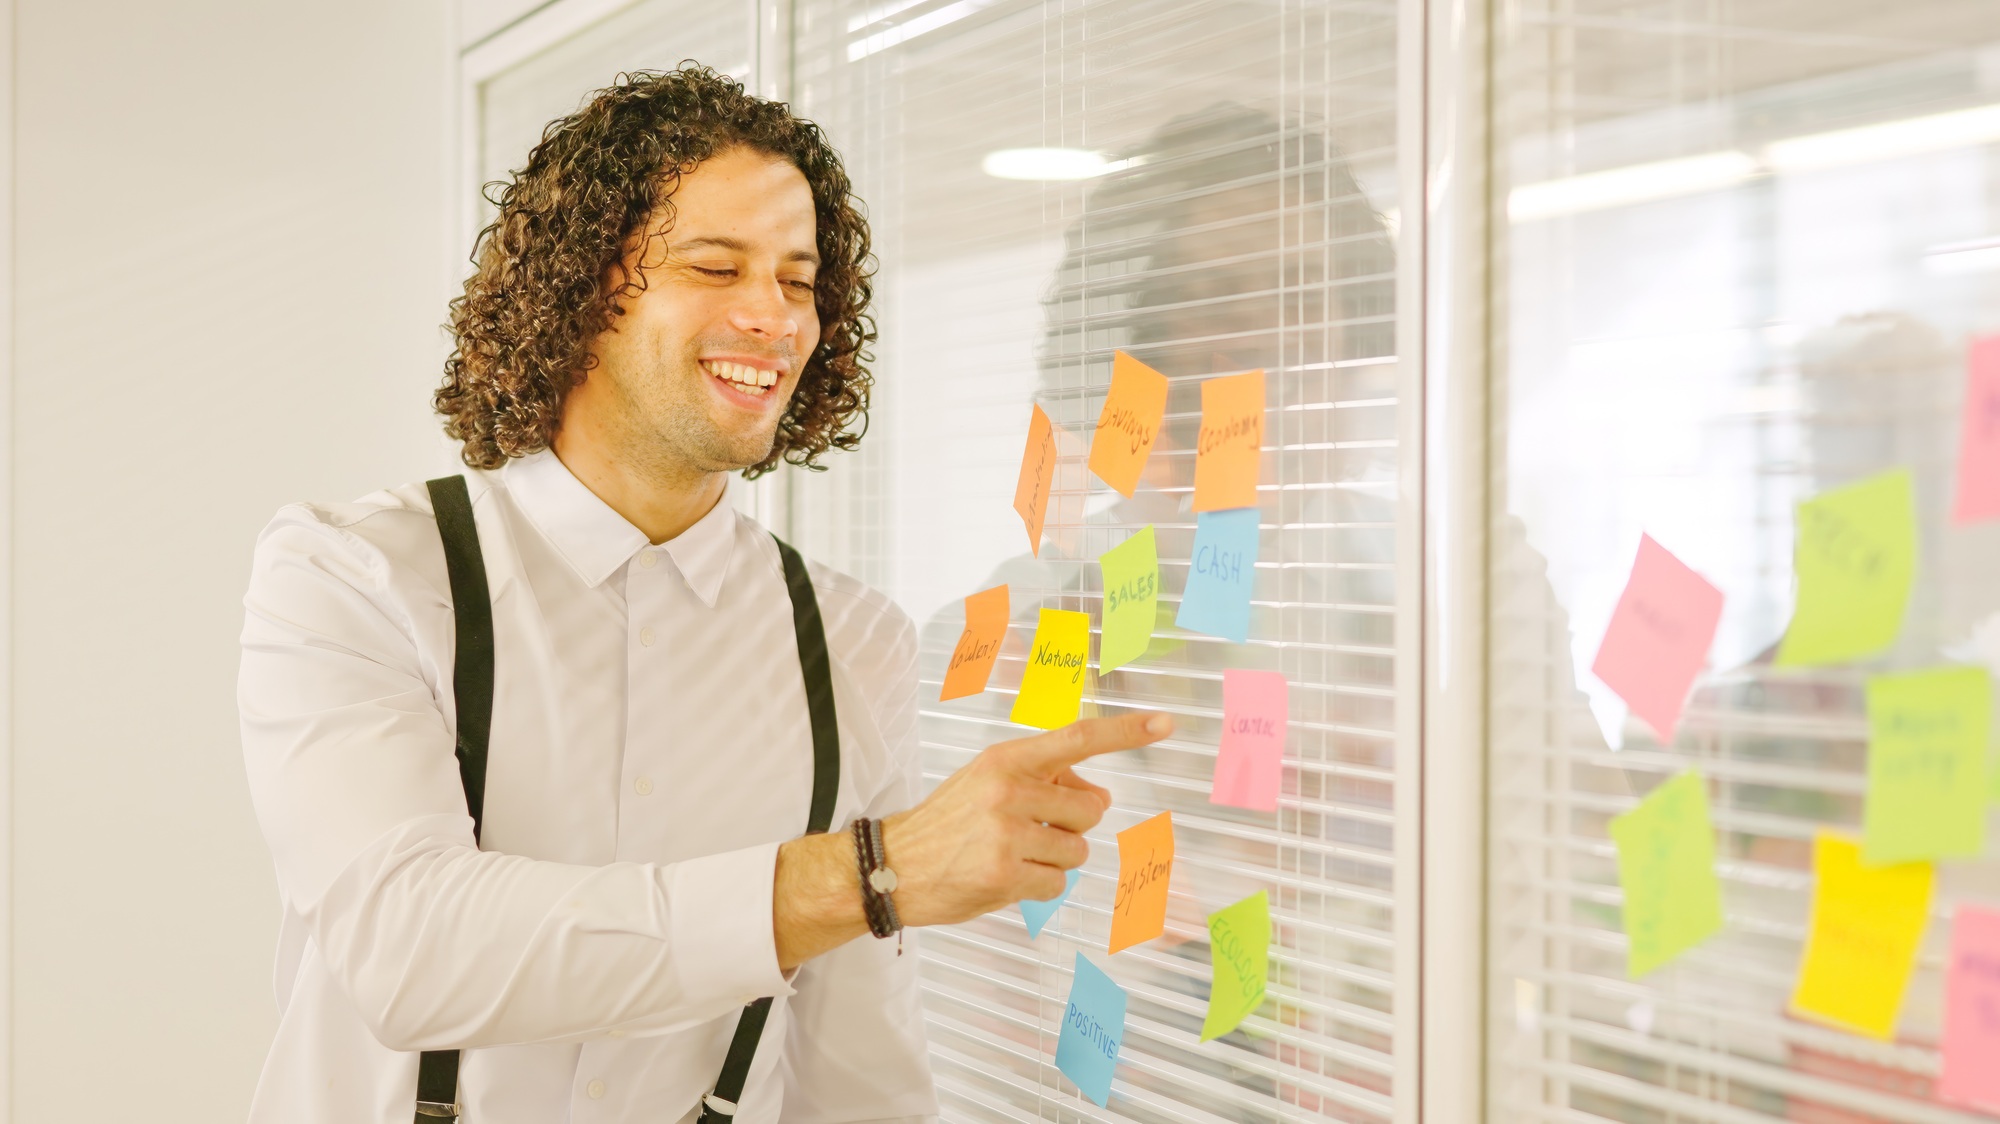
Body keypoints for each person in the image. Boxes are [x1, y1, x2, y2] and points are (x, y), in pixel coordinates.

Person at [236, 65, 1171, 1124]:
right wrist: (869, 872)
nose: (770, 318)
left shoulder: (851, 641)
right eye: (716, 265)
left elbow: (856, 1071)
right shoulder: (358, 573)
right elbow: (410, 948)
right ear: (582, 289)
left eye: (798, 279)